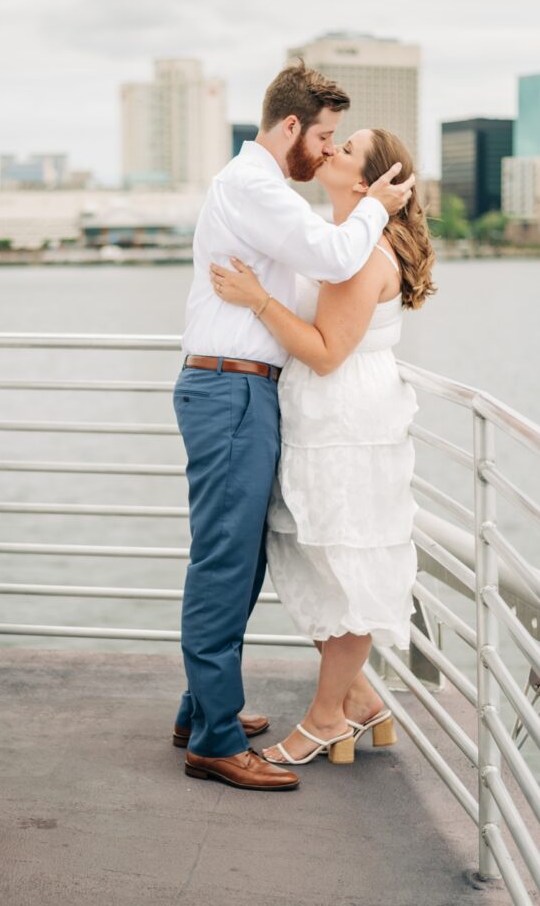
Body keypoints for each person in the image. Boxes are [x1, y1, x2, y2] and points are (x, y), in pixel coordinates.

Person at [174, 63, 415, 792]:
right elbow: (337, 255)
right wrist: (379, 203)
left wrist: (366, 211)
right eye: (324, 135)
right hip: (230, 390)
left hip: (251, 393)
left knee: (238, 562)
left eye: (340, 141)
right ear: (290, 129)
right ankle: (214, 738)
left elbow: (338, 267)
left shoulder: (273, 197)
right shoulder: (251, 189)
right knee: (225, 563)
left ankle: (205, 713)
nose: (327, 148)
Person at [209, 127, 435, 767]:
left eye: (346, 148)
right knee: (317, 554)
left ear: (365, 183)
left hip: (345, 420)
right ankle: (361, 698)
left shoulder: (364, 255)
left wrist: (256, 301)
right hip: (330, 416)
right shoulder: (345, 240)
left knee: (343, 564)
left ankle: (326, 717)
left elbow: (328, 352)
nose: (330, 151)